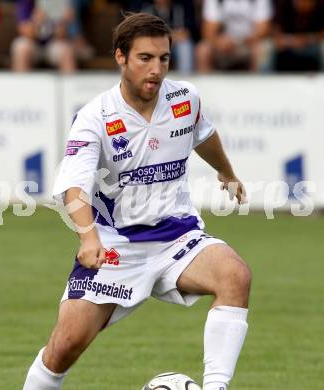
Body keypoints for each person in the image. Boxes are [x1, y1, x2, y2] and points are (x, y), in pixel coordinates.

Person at [23, 12, 252, 390]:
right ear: (120, 57)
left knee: (235, 275)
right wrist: (88, 237)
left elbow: (203, 134)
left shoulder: (184, 99)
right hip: (116, 245)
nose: (156, 69)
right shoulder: (95, 117)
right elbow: (72, 189)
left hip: (178, 236)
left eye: (163, 58)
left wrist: (225, 171)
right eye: (145, 58)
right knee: (63, 348)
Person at [196, 0, 272, 72]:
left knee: (263, 48)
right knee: (203, 50)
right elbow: (208, 30)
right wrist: (219, 41)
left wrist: (245, 40)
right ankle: (207, 84)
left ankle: (257, 84)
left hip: (249, 45)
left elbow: (263, 30)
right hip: (223, 45)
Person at [11, 0, 77, 73]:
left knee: (66, 50)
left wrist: (64, 22)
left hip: (52, 45)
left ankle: (69, 83)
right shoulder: (26, 3)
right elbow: (24, 32)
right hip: (33, 45)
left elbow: (61, 36)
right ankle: (21, 83)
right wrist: (37, 22)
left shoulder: (57, 3)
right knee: (21, 46)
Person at [138, 0, 197, 73]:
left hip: (176, 43)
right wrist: (169, 35)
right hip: (151, 42)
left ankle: (185, 78)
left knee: (185, 47)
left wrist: (163, 37)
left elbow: (187, 32)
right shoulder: (143, 6)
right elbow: (139, 32)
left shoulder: (183, 5)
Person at [273, 0, 324, 71]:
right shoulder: (283, 4)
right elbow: (276, 33)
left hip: (314, 44)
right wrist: (292, 41)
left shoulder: (320, 4)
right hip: (288, 45)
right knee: (270, 47)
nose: (303, 4)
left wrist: (308, 39)